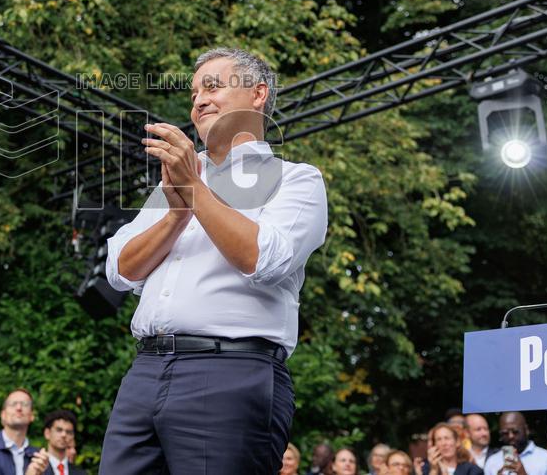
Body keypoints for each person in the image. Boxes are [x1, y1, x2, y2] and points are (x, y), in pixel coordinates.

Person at [100, 47, 328, 474]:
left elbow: (265, 258)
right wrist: (176, 213)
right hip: (145, 370)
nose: (198, 100)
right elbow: (119, 269)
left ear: (258, 94)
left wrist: (194, 191)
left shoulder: (296, 179)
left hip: (231, 371)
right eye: (193, 93)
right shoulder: (175, 183)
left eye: (212, 86)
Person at [482, 413, 547, 475]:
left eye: (515, 431)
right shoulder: (492, 462)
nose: (510, 436)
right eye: (505, 433)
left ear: (526, 430)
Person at [33, 410, 85, 475]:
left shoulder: (80, 473)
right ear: (47, 433)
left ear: (73, 436)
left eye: (68, 432)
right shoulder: (36, 469)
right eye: (59, 430)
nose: (64, 435)